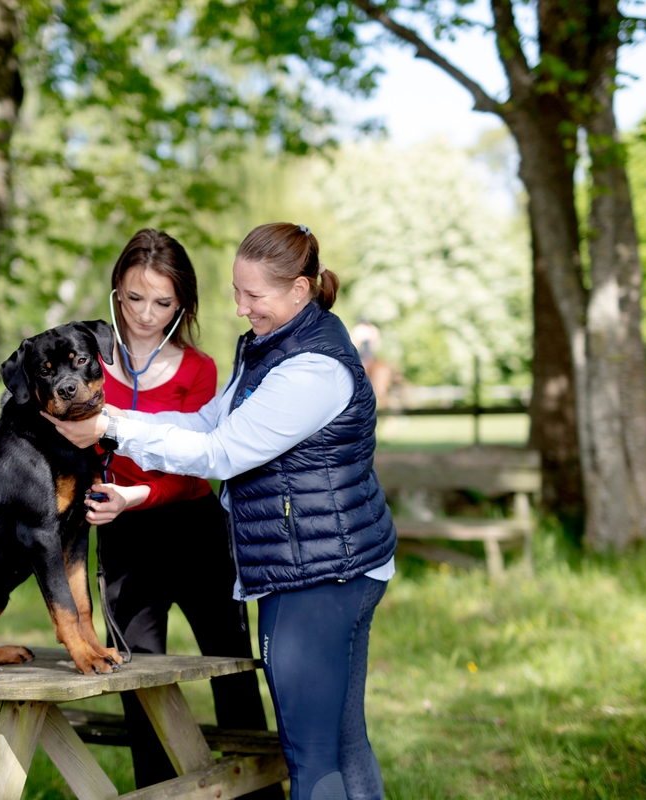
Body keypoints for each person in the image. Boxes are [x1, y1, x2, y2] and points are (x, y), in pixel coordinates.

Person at [48, 222, 397, 800]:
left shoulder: (310, 369)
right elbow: (209, 420)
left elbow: (221, 452)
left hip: (317, 575)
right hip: (327, 561)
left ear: (300, 290)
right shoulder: (276, 344)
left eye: (253, 294)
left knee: (310, 752)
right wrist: (120, 422)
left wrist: (111, 429)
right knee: (341, 739)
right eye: (237, 291)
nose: (239, 307)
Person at [83, 229, 279, 794]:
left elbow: (197, 463)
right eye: (133, 297)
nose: (145, 314)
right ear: (115, 292)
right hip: (123, 538)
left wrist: (135, 495)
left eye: (162, 302)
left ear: (183, 305)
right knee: (141, 679)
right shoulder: (86, 364)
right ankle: (158, 793)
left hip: (195, 533)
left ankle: (258, 792)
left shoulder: (199, 369)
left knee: (232, 668)